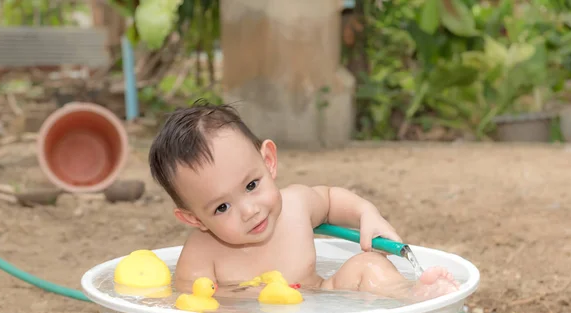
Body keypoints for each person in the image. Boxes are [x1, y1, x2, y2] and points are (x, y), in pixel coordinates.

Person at [148, 100, 459, 301]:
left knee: (370, 264)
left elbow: (330, 198)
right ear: (194, 219)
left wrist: (367, 213)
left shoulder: (295, 205)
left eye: (252, 185)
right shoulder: (202, 254)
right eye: (221, 207)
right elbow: (189, 309)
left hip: (322, 299)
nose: (249, 210)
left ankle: (413, 297)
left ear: (268, 160)